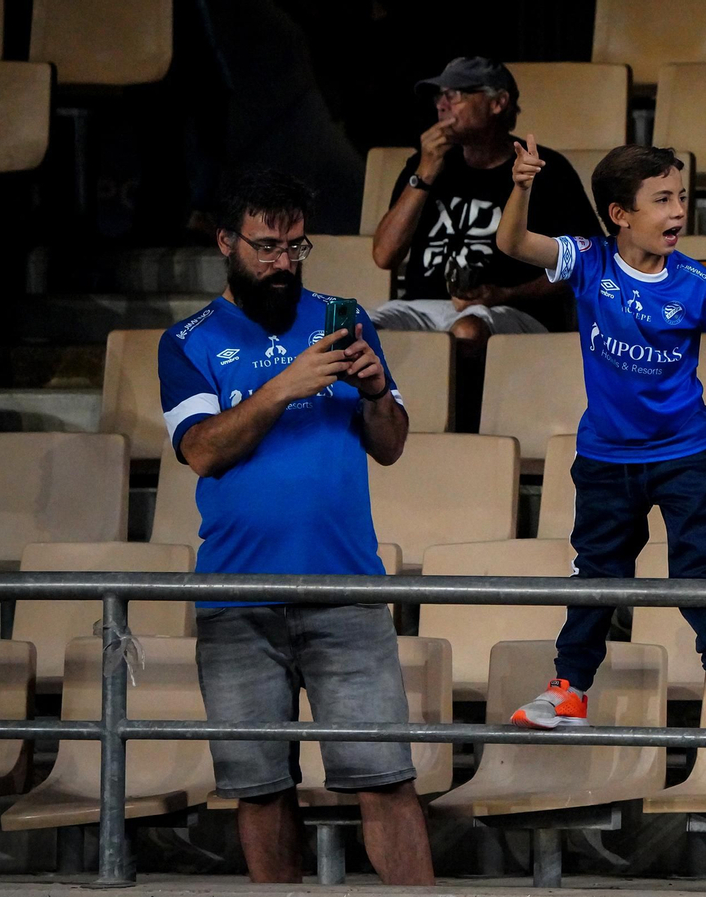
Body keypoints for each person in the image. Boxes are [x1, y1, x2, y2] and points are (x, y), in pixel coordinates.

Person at [157, 170, 433, 884]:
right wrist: (284, 386)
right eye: (266, 246)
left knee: (385, 777)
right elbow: (202, 450)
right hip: (236, 597)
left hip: (347, 590)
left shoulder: (342, 318)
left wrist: (374, 389)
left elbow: (393, 443)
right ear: (227, 243)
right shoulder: (186, 342)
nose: (283, 262)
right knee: (258, 787)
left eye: (295, 246)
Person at [494, 138, 706, 733]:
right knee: (595, 572)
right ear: (620, 215)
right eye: (662, 200)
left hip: (685, 454)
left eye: (682, 198)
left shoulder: (697, 282)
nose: (678, 213)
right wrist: (521, 187)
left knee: (702, 572)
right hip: (604, 456)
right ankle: (569, 690)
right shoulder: (588, 260)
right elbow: (512, 244)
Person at [370, 56, 600, 343]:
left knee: (467, 331)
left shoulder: (543, 169)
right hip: (423, 307)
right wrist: (425, 173)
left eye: (454, 95)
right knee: (357, 329)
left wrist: (507, 294)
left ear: (497, 103)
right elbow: (384, 256)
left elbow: (587, 262)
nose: (442, 105)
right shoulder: (423, 165)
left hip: (513, 311)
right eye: (440, 96)